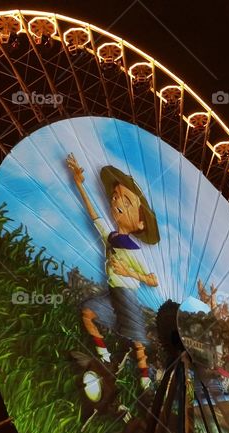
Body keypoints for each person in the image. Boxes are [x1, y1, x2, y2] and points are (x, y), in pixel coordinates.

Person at [66, 153, 160, 389]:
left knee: (137, 339)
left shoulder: (133, 249)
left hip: (127, 296)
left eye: (126, 202)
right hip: (113, 292)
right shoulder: (111, 238)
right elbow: (94, 215)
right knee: (88, 313)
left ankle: (145, 379)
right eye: (116, 196)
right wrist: (79, 185)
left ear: (140, 224)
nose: (117, 202)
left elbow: (152, 280)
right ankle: (103, 354)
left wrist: (129, 273)